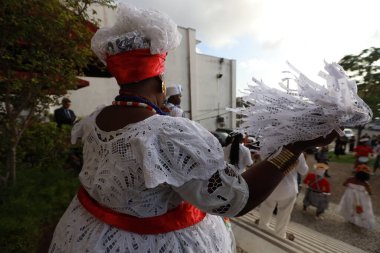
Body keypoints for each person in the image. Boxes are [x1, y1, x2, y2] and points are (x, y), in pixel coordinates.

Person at [48, 4, 338, 253]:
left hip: (86, 233)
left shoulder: (95, 119)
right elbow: (235, 198)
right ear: (161, 82)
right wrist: (295, 147)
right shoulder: (166, 134)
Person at [258, 153, 309, 240]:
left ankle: (262, 226)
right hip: (288, 188)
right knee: (284, 213)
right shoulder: (298, 153)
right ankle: (280, 234)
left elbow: (263, 160)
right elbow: (303, 171)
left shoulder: (271, 147)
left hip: (270, 185)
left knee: (266, 208)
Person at [337, 164, 375, 229]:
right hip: (361, 198)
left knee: (350, 206)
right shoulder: (365, 183)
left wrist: (351, 188)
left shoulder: (350, 179)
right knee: (362, 209)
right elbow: (370, 193)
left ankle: (351, 219)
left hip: (350, 195)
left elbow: (344, 184)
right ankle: (361, 222)